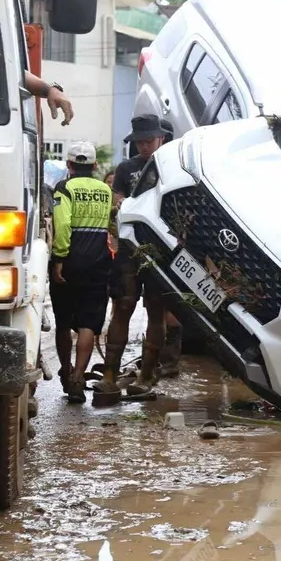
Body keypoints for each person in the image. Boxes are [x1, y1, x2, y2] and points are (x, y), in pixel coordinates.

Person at [97, 114, 175, 399]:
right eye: (139, 141)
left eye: (149, 141)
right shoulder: (126, 168)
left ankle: (146, 375)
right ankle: (109, 374)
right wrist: (121, 206)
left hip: (159, 253)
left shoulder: (171, 167)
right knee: (122, 308)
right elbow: (116, 199)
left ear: (161, 139)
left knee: (156, 312)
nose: (144, 146)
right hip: (129, 250)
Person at [49, 141, 114, 403]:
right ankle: (78, 375)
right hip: (98, 263)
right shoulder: (105, 191)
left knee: (64, 321)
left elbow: (62, 225)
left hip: (70, 262)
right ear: (95, 165)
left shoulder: (64, 188)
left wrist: (59, 258)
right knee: (89, 322)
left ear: (69, 164)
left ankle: (65, 371)